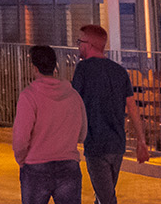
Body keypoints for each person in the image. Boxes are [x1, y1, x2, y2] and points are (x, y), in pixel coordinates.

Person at [71, 25, 137, 204]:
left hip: (96, 144)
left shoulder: (83, 69)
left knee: (106, 198)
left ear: (90, 44)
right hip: (117, 144)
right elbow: (132, 107)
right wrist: (142, 141)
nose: (78, 46)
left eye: (80, 41)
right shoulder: (119, 71)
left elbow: (73, 104)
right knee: (103, 195)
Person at [13, 44, 87, 204]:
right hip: (68, 165)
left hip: (36, 166)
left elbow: (21, 138)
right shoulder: (73, 95)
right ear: (55, 66)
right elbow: (82, 132)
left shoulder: (29, 96)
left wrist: (21, 159)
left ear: (34, 68)